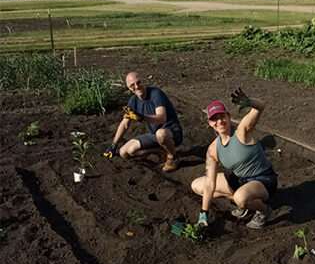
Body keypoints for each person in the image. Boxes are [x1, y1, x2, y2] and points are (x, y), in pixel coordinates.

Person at [191, 88, 278, 229]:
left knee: (240, 198)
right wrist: (203, 213)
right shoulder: (213, 149)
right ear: (209, 123)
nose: (219, 121)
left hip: (263, 179)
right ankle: (245, 202)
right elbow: (209, 184)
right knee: (197, 186)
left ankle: (264, 210)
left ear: (229, 116)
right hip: (241, 181)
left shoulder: (242, 131)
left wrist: (251, 102)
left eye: (222, 116)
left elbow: (261, 106)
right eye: (214, 118)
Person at [103, 72, 183, 172]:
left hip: (171, 132)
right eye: (132, 85)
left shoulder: (156, 93)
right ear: (129, 88)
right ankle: (161, 151)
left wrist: (142, 117)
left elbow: (161, 118)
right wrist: (113, 145)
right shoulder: (133, 101)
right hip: (153, 134)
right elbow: (124, 124)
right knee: (124, 152)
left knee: (161, 134)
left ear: (144, 82)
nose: (137, 86)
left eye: (139, 82)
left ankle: (173, 157)